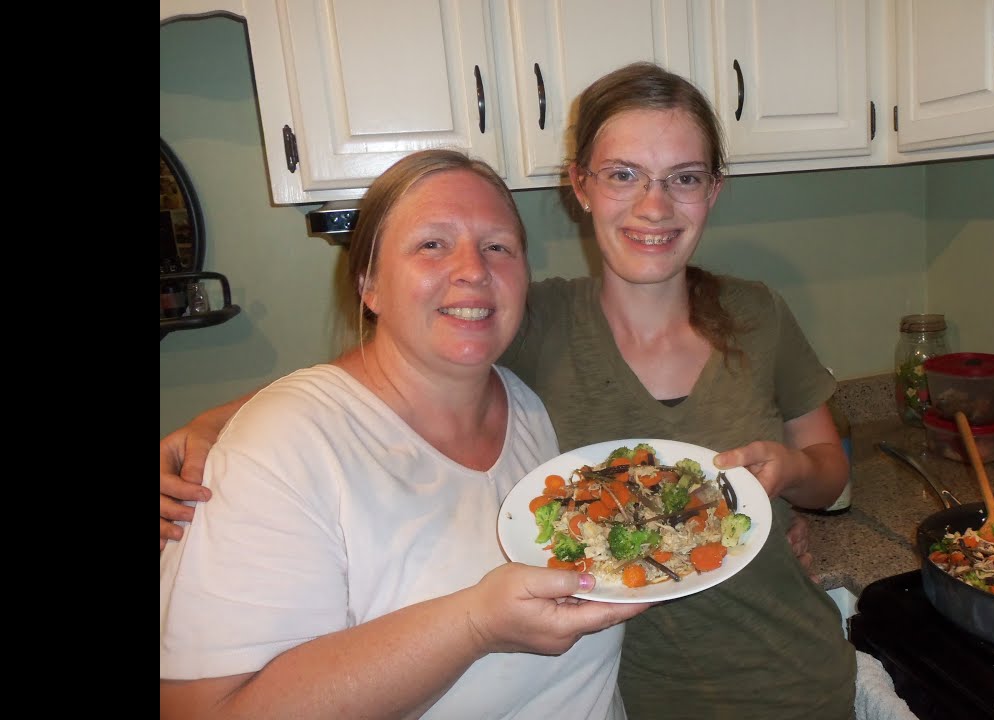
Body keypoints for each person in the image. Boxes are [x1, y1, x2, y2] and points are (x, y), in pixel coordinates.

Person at [161, 62, 858, 718]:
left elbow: (827, 473)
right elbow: (381, 373)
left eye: (684, 177)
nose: (655, 205)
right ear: (580, 184)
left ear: (713, 189)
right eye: (623, 174)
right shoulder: (533, 324)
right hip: (650, 695)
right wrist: (212, 432)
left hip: (793, 675)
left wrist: (790, 477)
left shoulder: (750, 315)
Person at [159, 149, 647, 720]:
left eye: (498, 247)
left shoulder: (530, 404)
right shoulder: (284, 447)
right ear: (370, 284)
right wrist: (474, 624)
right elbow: (203, 710)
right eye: (431, 244)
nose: (473, 269)